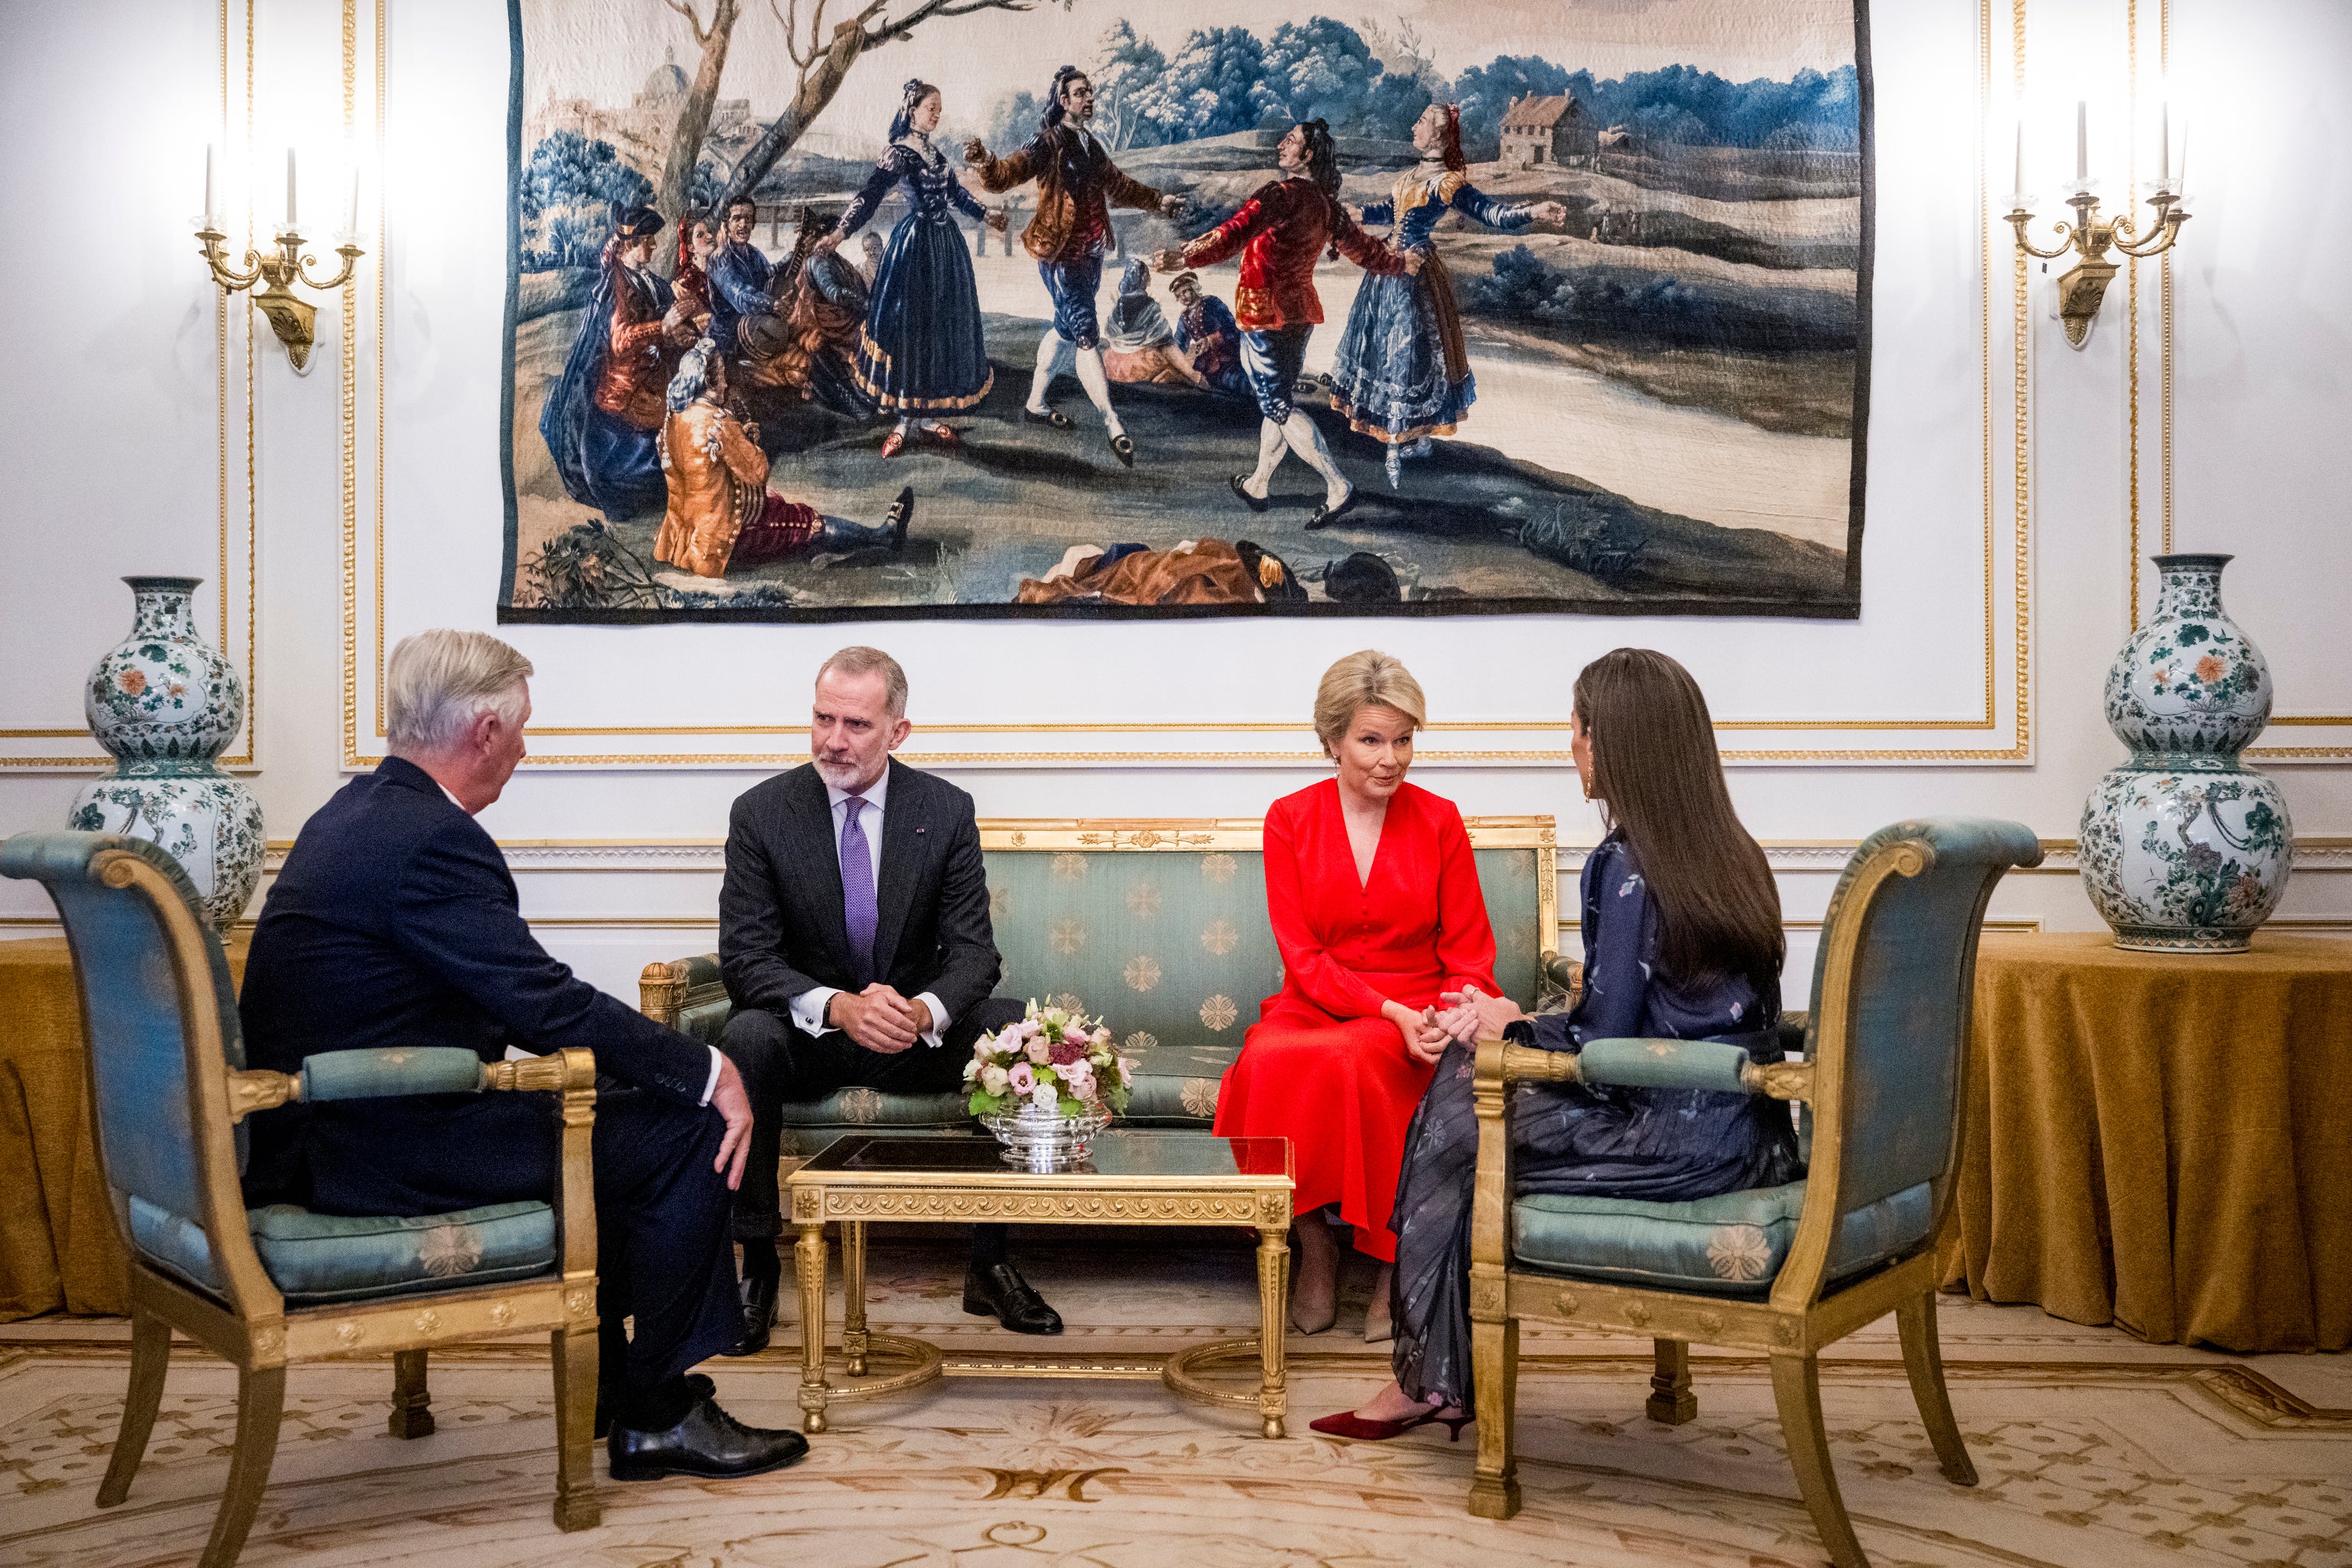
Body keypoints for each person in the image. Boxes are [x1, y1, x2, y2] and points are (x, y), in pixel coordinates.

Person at [237, 630, 807, 1481]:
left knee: (625, 1112)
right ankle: (658, 1411)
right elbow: (541, 999)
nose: (527, 747)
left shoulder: (355, 810)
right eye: (523, 728)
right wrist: (709, 1070)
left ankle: (614, 1386)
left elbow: (510, 999)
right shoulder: (431, 840)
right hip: (377, 1141)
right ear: (483, 733)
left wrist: (650, 1066)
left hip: (335, 1122)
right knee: (684, 1129)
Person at [1314, 648, 1797, 1440]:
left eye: (1578, 728)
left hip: (1671, 1135)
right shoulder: (1728, 849)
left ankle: (1428, 1379)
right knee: (1466, 1105)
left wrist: (1511, 1020)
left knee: (1457, 1121)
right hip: (1746, 1131)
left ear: (1615, 742)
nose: (1571, 743)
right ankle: (1433, 1368)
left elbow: (1603, 1048)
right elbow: (1663, 1009)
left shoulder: (1625, 861)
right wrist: (1522, 1016)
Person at [717, 647, 1063, 1351]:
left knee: (1011, 1031)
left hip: (909, 1036)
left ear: (897, 732)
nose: (833, 740)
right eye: (822, 719)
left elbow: (974, 954)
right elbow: (746, 960)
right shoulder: (761, 814)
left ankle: (990, 1260)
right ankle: (757, 1259)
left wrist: (922, 1010)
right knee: (746, 1038)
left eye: (856, 725)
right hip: (809, 1035)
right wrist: (840, 1006)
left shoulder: (943, 810)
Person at [1211, 652, 1497, 1341]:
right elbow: (1303, 958)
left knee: (1370, 1059)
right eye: (1371, 740)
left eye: (1403, 740)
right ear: (1333, 740)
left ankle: (1394, 1268)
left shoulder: (1441, 820)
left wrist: (1445, 1014)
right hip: (1322, 1000)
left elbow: (1469, 951)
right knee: (1266, 1064)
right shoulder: (1289, 819)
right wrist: (1386, 1011)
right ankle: (1315, 1249)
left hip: (1421, 1008)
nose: (1390, 758)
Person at [1152, 121, 1419, 531]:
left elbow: (1233, 233)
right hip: (1298, 317)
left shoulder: (1280, 195)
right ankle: (1259, 484)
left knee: (1278, 407)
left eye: (1291, 141)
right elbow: (1364, 250)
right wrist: (1400, 263)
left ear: (1308, 155)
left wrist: (1185, 257)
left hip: (1265, 316)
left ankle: (1337, 486)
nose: (1281, 145)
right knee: (1274, 402)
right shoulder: (1327, 206)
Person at [1328, 103, 1566, 488]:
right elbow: (1391, 211)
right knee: (1384, 350)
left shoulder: (1448, 182)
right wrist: (1358, 214)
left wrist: (1535, 210)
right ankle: (1397, 435)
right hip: (1388, 269)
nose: (1413, 126)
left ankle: (1412, 438)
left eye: (1420, 122)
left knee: (1412, 353)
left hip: (1417, 273)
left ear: (1438, 134)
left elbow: (1492, 214)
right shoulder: (1411, 175)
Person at [966, 66, 1186, 466]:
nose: (1090, 98)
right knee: (1086, 334)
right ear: (1063, 101)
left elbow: (1119, 185)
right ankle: (1112, 423)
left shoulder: (1091, 144)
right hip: (1061, 257)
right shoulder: (1047, 144)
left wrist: (1158, 202)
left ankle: (1035, 402)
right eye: (1081, 93)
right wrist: (985, 160)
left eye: (1091, 92)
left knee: (1064, 330)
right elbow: (1003, 176)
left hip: (1091, 255)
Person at [819, 80, 1004, 459]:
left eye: (940, 108)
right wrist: (840, 232)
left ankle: (927, 416)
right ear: (912, 110)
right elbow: (870, 196)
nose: (936, 114)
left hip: (945, 249)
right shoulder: (898, 154)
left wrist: (986, 214)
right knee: (909, 332)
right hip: (914, 251)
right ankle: (904, 421)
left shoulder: (936, 153)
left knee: (938, 331)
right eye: (931, 107)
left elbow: (955, 195)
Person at [652, 341, 910, 578]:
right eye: (720, 378)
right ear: (708, 381)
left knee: (773, 500)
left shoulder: (672, 422)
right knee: (804, 520)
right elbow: (758, 472)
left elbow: (703, 479)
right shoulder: (719, 424)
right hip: (721, 540)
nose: (725, 385)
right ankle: (883, 536)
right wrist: (750, 442)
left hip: (681, 540)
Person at [539, 204, 691, 523]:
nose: (653, 245)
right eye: (647, 240)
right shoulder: (619, 285)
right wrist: (662, 328)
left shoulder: (647, 280)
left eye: (652, 239)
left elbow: (663, 323)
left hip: (652, 373)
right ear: (628, 245)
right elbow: (620, 339)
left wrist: (681, 332)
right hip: (626, 384)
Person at [1099, 260, 1210, 388]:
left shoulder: (1118, 306)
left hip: (1112, 364)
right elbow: (1167, 343)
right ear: (1145, 279)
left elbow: (1110, 333)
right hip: (1140, 366)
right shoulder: (1150, 306)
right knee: (1170, 353)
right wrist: (1191, 373)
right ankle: (1178, 376)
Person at [708, 194, 780, 361]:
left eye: (748, 218)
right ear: (726, 225)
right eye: (737, 219)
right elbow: (739, 296)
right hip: (726, 342)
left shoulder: (754, 254)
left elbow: (769, 273)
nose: (743, 224)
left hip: (754, 332)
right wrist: (771, 304)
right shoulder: (720, 258)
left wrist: (793, 257)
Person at [1170, 271, 1247, 398]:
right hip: (1204, 365)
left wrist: (1210, 340)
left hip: (1228, 358)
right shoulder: (1184, 318)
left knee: (1235, 383)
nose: (1183, 297)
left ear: (1194, 288)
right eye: (1179, 295)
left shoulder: (1212, 303)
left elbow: (1232, 330)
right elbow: (1179, 344)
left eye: (1185, 292)